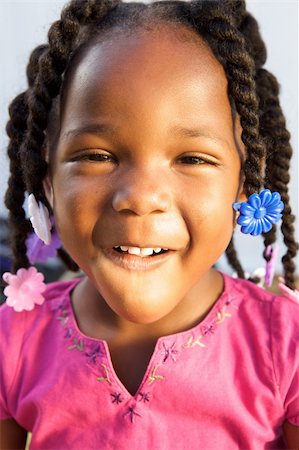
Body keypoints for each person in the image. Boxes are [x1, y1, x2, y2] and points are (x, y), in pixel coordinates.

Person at [0, 0, 298, 448]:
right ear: (47, 176)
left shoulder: (286, 345)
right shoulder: (13, 343)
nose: (140, 198)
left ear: (245, 182)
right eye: (97, 156)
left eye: (193, 158)